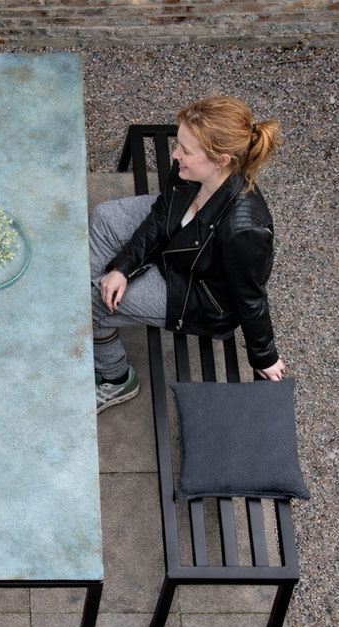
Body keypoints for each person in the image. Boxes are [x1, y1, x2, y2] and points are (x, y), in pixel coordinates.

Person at [90, 95, 287, 413]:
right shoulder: (190, 170)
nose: (175, 154)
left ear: (221, 160)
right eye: (178, 145)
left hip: (194, 292)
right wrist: (121, 269)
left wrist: (265, 356)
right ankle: (89, 305)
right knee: (104, 218)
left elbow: (251, 299)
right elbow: (161, 215)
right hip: (175, 242)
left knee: (93, 303)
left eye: (185, 150)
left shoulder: (244, 230)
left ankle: (117, 379)